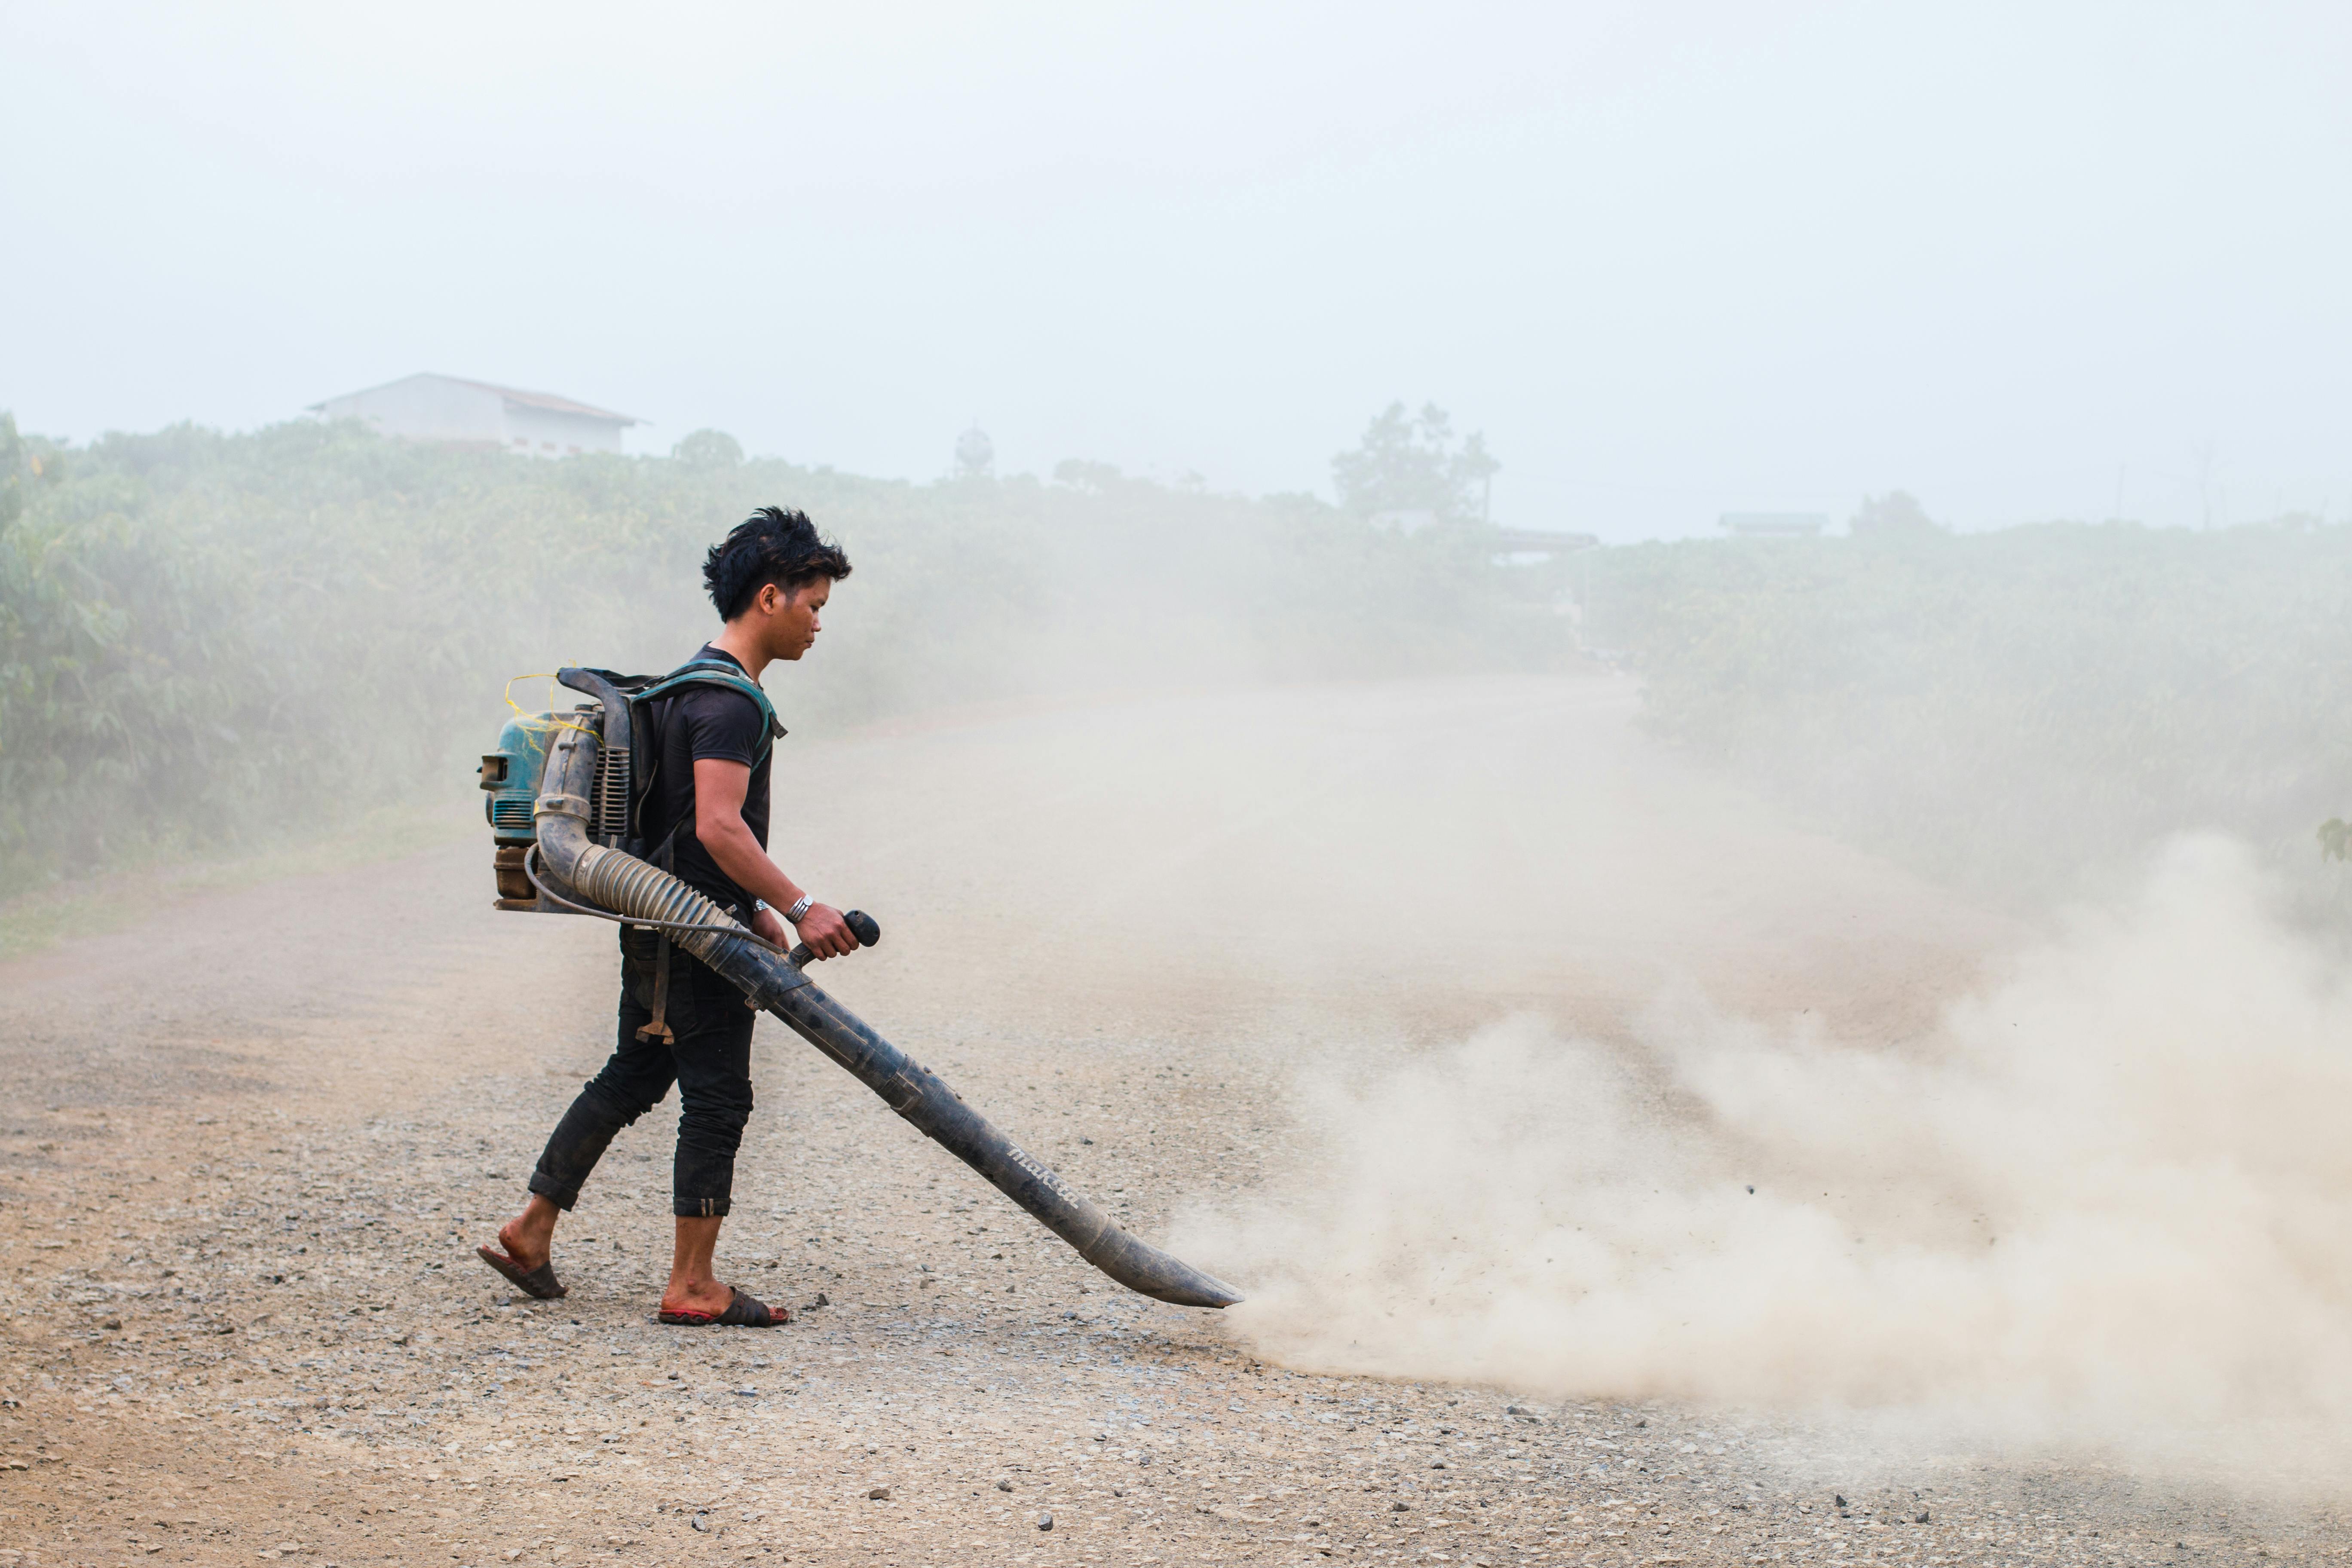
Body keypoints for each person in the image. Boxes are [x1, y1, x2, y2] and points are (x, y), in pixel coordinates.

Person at [478, 506, 855, 1327]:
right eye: (814, 604)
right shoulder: (731, 705)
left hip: (656, 918)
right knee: (718, 1098)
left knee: (639, 1070)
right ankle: (692, 1284)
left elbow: (687, 823)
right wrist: (799, 905)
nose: (819, 622)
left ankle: (529, 1231)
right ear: (769, 598)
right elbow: (719, 826)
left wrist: (754, 904)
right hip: (698, 931)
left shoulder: (686, 685)